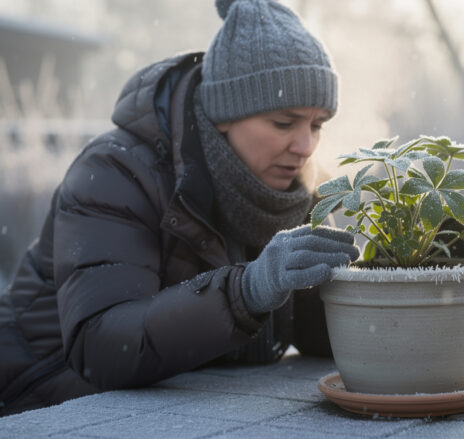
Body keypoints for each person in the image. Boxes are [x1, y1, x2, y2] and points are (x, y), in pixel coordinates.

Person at [0, 0, 358, 416]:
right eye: (283, 123)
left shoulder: (298, 184)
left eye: (317, 125)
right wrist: (248, 291)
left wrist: (424, 262)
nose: (305, 146)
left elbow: (322, 338)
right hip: (39, 400)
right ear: (224, 114)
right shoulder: (116, 172)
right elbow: (101, 346)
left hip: (182, 408)